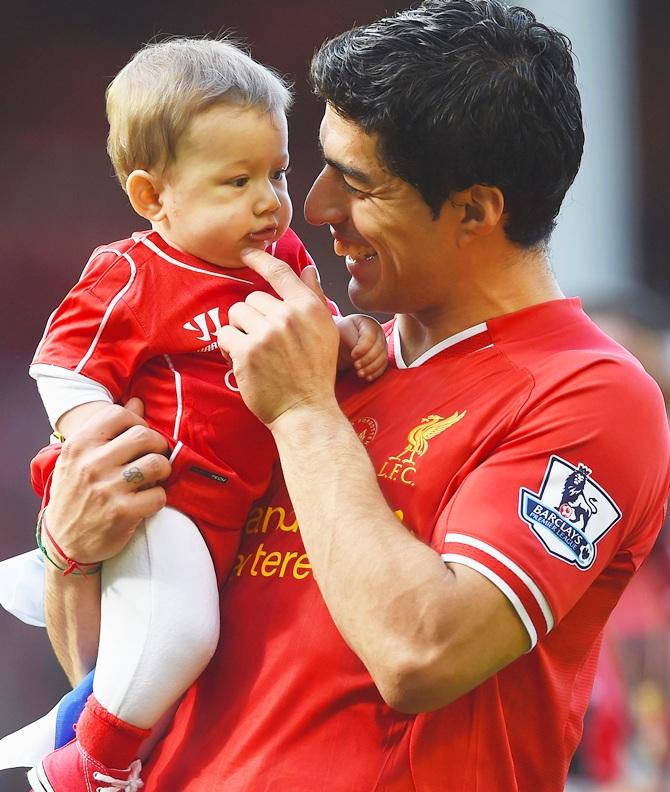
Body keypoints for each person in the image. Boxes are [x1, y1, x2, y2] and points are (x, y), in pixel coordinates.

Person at [33, 1, 670, 790]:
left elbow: (423, 653)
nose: (315, 207)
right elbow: (115, 670)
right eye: (319, 166)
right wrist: (72, 549)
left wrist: (304, 415)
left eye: (359, 183)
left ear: (475, 211)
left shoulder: (588, 393)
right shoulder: (302, 354)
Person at [20, 36, 387, 792]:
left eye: (278, 173)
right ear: (154, 197)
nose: (270, 200)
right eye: (236, 180)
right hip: (172, 498)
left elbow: (313, 327)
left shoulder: (281, 253)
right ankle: (90, 761)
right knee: (181, 634)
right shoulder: (133, 271)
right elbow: (61, 364)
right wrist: (92, 439)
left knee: (170, 645)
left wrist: (352, 335)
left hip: (234, 508)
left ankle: (79, 722)